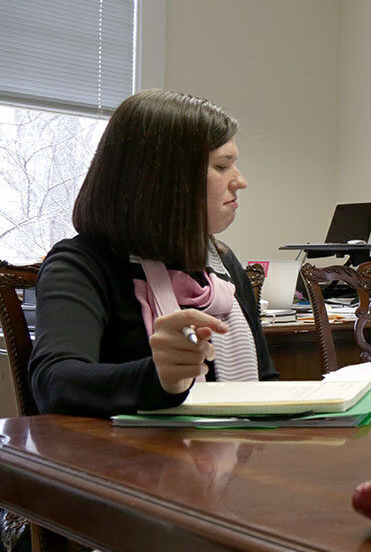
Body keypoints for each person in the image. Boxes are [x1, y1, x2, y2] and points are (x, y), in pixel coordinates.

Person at [30, 89, 276, 415]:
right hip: (126, 461)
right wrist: (157, 376)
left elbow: (266, 380)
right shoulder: (80, 265)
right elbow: (54, 382)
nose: (240, 181)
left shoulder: (223, 263)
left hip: (233, 456)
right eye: (222, 166)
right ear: (166, 181)